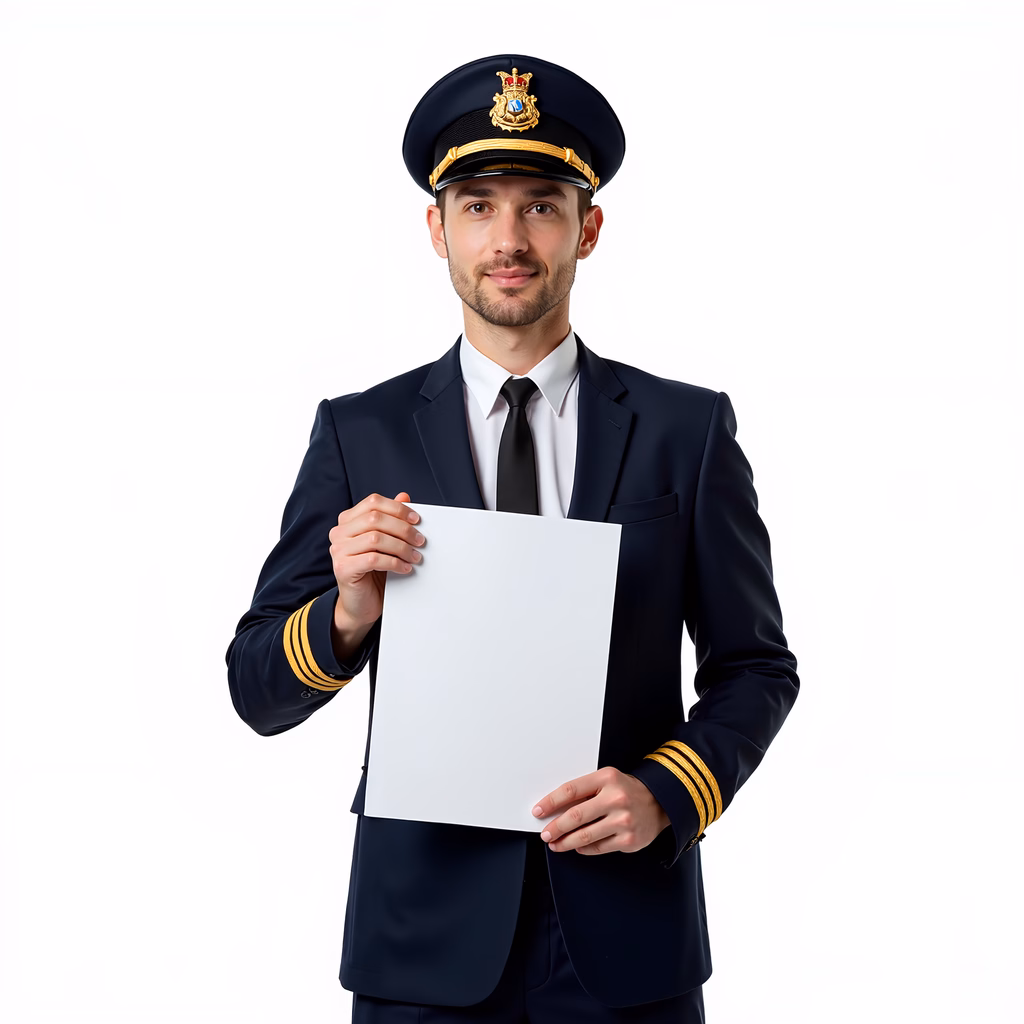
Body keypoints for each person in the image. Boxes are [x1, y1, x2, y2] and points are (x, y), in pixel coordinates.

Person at [226, 53, 799, 1023]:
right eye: (478, 205)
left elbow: (755, 666)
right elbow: (256, 690)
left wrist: (669, 791)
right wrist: (349, 612)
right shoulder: (359, 432)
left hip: (628, 935)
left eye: (540, 205)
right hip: (421, 943)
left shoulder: (686, 429)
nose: (508, 239)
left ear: (588, 228)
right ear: (436, 229)